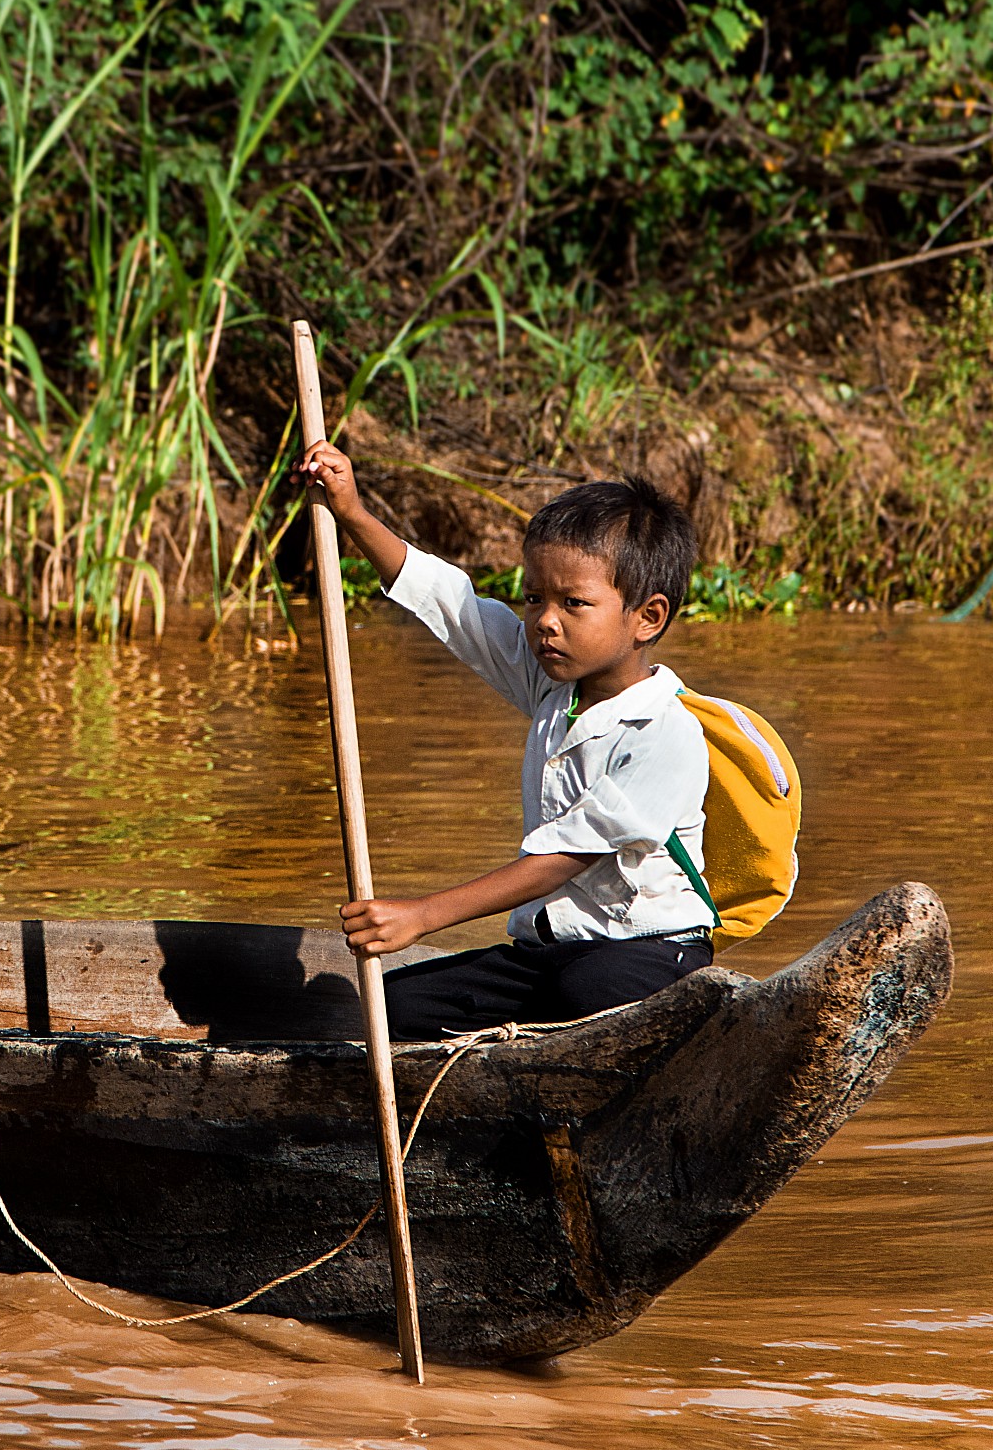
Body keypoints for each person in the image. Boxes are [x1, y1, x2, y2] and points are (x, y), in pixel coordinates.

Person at [294, 442, 713, 1041]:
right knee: (385, 1009)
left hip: (651, 953)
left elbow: (564, 860)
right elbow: (450, 601)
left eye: (574, 604)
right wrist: (352, 513)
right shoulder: (549, 679)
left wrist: (422, 915)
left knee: (585, 994)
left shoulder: (666, 733)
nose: (546, 620)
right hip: (549, 952)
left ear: (647, 617)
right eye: (534, 598)